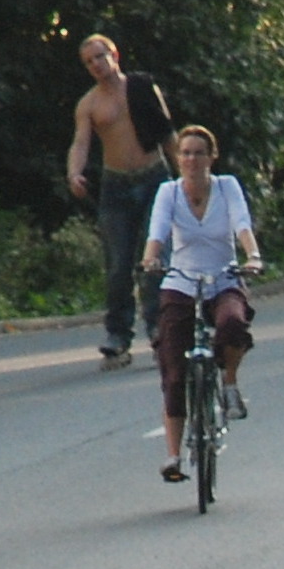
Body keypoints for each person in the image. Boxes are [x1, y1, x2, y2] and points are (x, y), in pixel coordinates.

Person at [141, 124, 263, 477]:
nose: (191, 160)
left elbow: (241, 223)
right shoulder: (169, 192)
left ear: (212, 157)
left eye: (198, 153)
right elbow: (157, 231)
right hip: (181, 283)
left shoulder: (227, 187)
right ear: (177, 158)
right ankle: (173, 456)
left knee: (232, 324)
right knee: (174, 371)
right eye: (185, 153)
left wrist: (252, 256)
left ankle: (229, 384)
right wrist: (151, 258)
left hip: (222, 278)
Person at [63, 35, 171, 371]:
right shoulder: (89, 104)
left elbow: (167, 132)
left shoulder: (141, 88)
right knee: (118, 265)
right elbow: (81, 143)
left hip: (155, 179)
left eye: (100, 57)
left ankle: (160, 330)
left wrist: (187, 180)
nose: (96, 65)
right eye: (89, 61)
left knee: (154, 261)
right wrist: (75, 173)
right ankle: (118, 335)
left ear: (114, 54)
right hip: (116, 187)